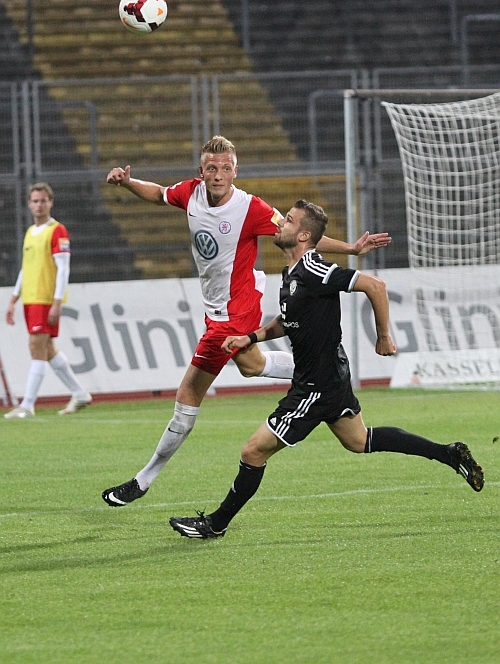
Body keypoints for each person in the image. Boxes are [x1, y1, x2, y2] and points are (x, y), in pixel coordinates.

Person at [102, 135, 391, 506]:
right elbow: (159, 194)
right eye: (212, 168)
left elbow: (300, 235)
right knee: (251, 366)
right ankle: (324, 372)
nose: (218, 175)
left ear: (235, 172)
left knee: (188, 394)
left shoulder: (250, 208)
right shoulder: (190, 193)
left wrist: (350, 248)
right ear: (201, 171)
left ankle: (143, 480)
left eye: (225, 168)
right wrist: (128, 183)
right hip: (216, 308)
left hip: (235, 311)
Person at [169, 199, 484, 539]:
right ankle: (448, 453)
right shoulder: (292, 273)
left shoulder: (314, 270)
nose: (280, 224)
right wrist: (250, 337)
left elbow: (375, 286)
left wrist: (384, 336)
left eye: (288, 221)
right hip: (328, 376)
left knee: (253, 451)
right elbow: (288, 320)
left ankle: (215, 524)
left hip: (315, 386)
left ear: (304, 235)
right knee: (359, 440)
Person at [4, 182, 92, 419]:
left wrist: (57, 301)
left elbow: (63, 269)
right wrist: (14, 299)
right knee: (48, 348)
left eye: (43, 200)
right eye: (35, 201)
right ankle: (80, 393)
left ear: (51, 203)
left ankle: (27, 405)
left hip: (45, 299)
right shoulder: (30, 233)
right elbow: (26, 268)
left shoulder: (57, 231)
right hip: (31, 298)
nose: (39, 205)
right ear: (29, 204)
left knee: (36, 346)